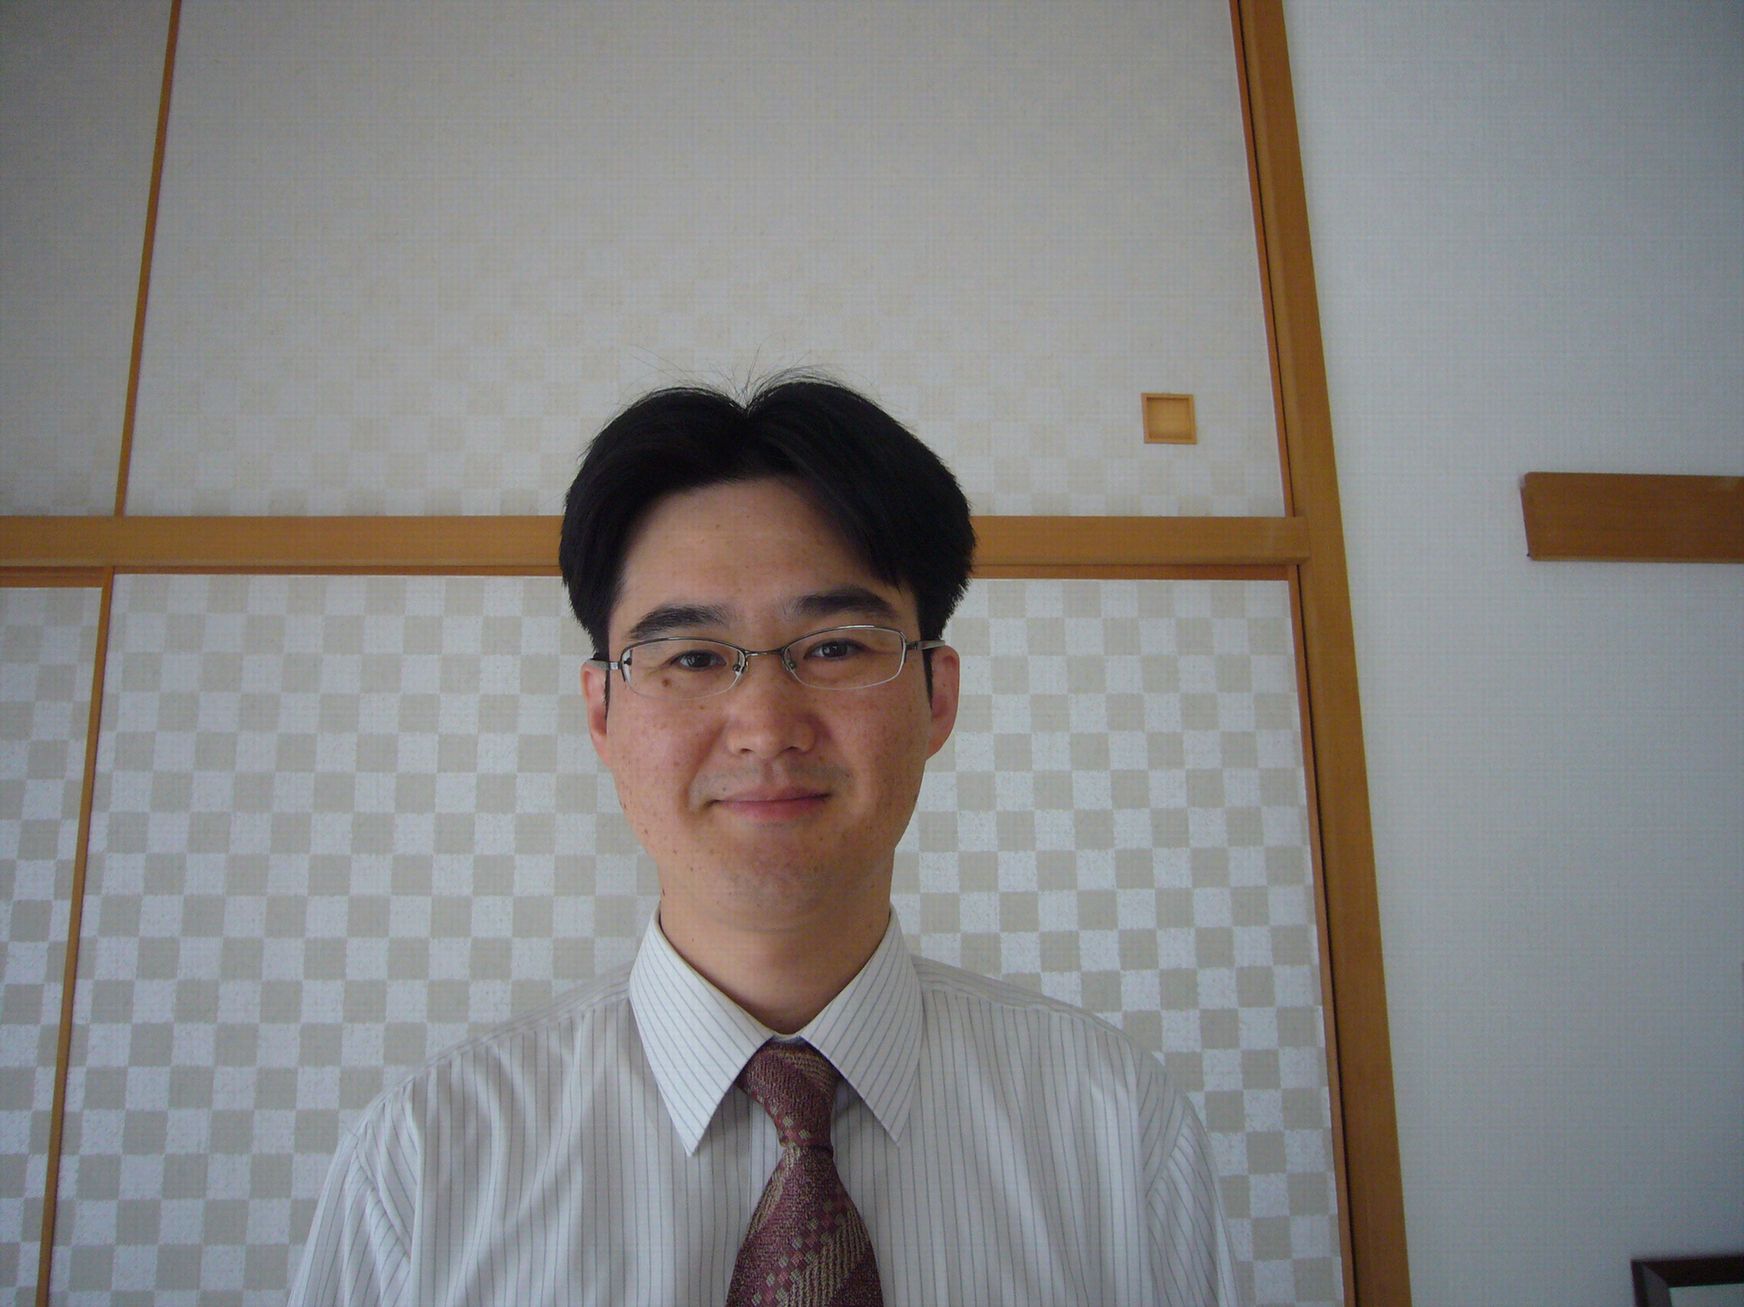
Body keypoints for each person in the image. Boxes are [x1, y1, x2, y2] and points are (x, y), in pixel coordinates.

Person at [289, 376, 1244, 1305]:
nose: (765, 725)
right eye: (692, 657)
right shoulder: (428, 1161)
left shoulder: (1114, 1126)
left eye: (834, 647)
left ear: (937, 695)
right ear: (602, 712)